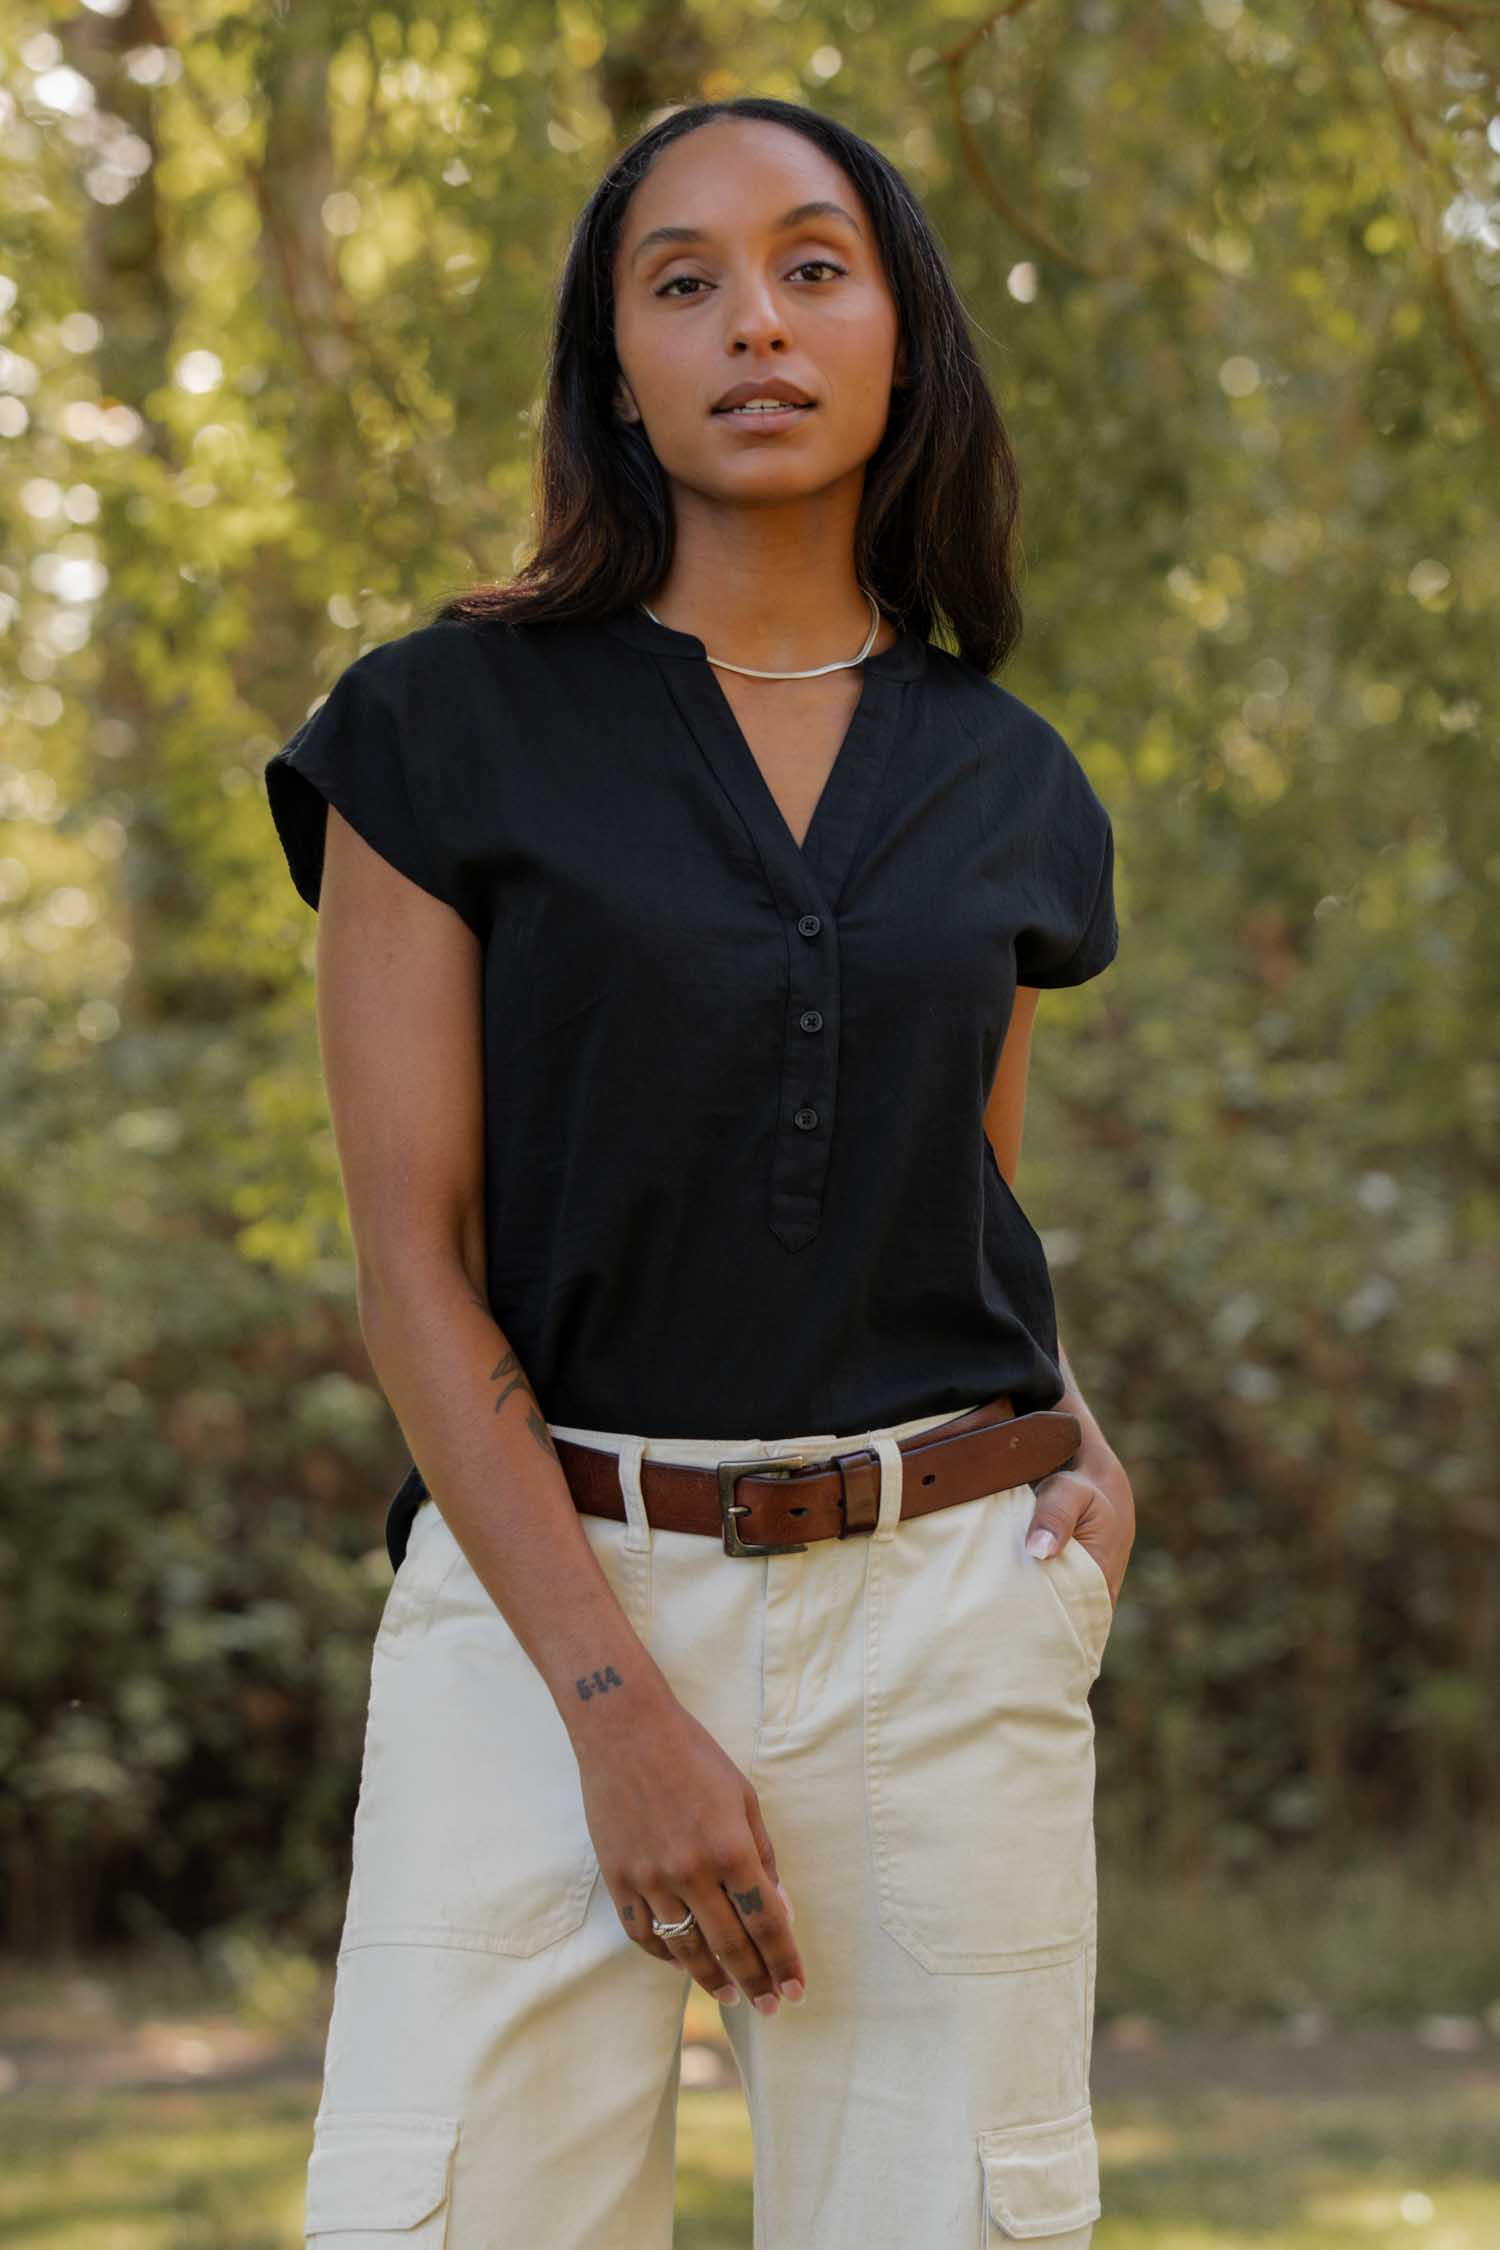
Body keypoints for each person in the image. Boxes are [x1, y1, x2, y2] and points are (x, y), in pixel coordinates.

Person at [264, 93, 1134, 2250]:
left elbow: (962, 1199)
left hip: (944, 1629)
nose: (755, 320)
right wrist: (614, 1711)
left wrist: (1083, 1459)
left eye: (814, 265)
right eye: (685, 281)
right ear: (616, 368)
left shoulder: (1008, 778)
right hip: (544, 1611)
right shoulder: (437, 729)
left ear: (902, 338)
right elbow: (414, 1261)